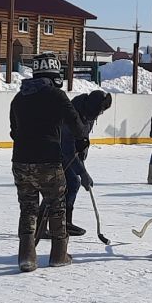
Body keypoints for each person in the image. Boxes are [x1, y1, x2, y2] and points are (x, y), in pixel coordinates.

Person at [10, 53, 88, 273]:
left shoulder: (19, 98)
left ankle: (26, 256)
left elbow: (14, 131)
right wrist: (82, 139)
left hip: (21, 161)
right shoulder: (56, 95)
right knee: (56, 206)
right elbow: (75, 122)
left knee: (28, 207)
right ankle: (59, 254)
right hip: (49, 161)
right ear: (55, 75)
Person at [38, 90, 113, 237]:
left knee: (71, 184)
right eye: (100, 111)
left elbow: (82, 139)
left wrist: (82, 155)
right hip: (53, 152)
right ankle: (41, 226)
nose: (100, 114)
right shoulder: (71, 115)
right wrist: (82, 172)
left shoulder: (89, 114)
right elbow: (67, 148)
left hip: (66, 152)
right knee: (60, 186)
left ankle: (65, 223)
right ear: (93, 107)